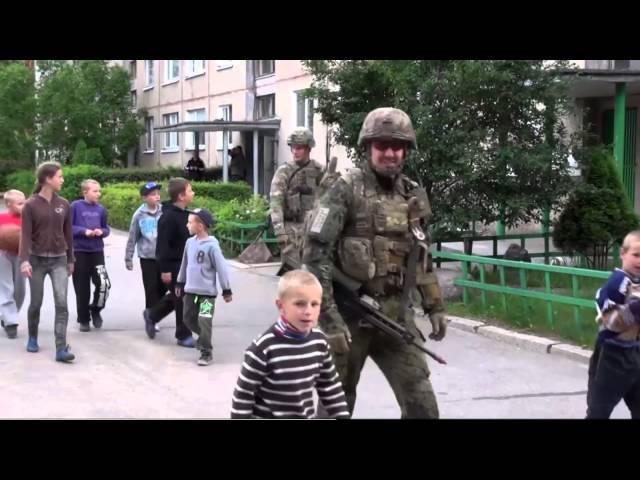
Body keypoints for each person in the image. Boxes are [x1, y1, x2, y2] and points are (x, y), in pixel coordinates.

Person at [300, 107, 448, 418]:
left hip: (395, 319)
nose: (390, 153)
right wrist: (329, 321)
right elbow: (314, 257)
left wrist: (434, 305)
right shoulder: (345, 189)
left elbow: (421, 254)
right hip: (349, 316)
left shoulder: (412, 194)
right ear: (368, 148)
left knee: (422, 405)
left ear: (406, 150)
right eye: (382, 145)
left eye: (397, 146)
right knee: (336, 406)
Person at [230, 269, 349, 419]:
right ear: (281, 306)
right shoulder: (264, 348)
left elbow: (330, 388)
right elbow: (243, 396)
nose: (308, 311)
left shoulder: (319, 342)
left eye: (315, 304)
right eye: (300, 304)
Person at [19, 161, 76, 363]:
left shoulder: (64, 204)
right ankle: (33, 336)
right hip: (36, 260)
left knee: (62, 303)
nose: (62, 180)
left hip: (59, 260)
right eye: (59, 176)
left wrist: (71, 259)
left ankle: (61, 347)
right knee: (36, 302)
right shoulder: (30, 205)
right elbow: (24, 235)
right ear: (48, 179)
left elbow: (68, 235)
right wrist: (24, 260)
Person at [587, 230, 640, 419]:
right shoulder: (617, 283)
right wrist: (635, 310)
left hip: (636, 352)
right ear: (623, 254)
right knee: (599, 410)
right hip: (613, 354)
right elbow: (610, 322)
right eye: (636, 255)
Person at [176, 208, 232, 366]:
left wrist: (226, 289)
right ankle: (204, 338)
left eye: (190, 222)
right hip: (190, 291)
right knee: (187, 318)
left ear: (200, 226)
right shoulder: (189, 243)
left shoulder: (212, 246)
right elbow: (184, 264)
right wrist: (180, 282)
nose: (187, 225)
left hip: (207, 294)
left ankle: (206, 352)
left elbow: (222, 268)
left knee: (204, 320)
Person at [143, 177, 196, 347]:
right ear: (181, 196)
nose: (193, 193)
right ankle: (183, 334)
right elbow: (162, 246)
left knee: (177, 296)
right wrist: (165, 270)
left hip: (186, 264)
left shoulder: (187, 215)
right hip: (173, 266)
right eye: (190, 190)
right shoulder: (168, 217)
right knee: (182, 299)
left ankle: (152, 315)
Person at [269, 128, 324, 264]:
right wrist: (280, 231)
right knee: (292, 278)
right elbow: (276, 202)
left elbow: (329, 201)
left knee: (312, 276)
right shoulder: (284, 171)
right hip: (291, 232)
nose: (295, 151)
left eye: (299, 148)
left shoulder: (319, 170)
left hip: (313, 232)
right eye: (293, 148)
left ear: (308, 148)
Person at [71, 180, 111, 332]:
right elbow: (68, 227)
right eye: (95, 191)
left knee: (104, 284)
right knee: (82, 288)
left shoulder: (101, 209)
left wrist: (102, 232)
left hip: (97, 251)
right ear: (85, 192)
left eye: (99, 191)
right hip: (79, 252)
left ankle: (95, 309)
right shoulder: (75, 206)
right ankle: (83, 319)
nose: (98, 194)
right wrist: (84, 231)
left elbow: (106, 229)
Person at [125, 182, 164, 333]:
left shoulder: (164, 211)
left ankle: (155, 312)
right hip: (147, 257)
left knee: (162, 287)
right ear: (145, 198)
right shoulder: (139, 215)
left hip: (163, 255)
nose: (157, 197)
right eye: (153, 194)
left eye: (158, 194)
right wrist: (128, 257)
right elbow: (132, 236)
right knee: (151, 288)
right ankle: (151, 318)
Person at [0, 190, 26, 339]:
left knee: (20, 290)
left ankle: (8, 315)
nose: (23, 206)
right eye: (19, 203)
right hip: (3, 254)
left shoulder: (28, 218)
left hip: (22, 256)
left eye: (24, 202)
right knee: (6, 286)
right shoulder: (2, 218)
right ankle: (11, 322)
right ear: (9, 204)